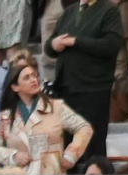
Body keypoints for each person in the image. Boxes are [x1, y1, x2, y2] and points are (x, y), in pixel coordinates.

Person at [0, 59, 91, 175]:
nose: (33, 80)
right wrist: (13, 156)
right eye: (26, 77)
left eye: (34, 76)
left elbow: (84, 128)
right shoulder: (6, 117)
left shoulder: (56, 107)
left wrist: (71, 155)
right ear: (15, 87)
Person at [46, 0, 123, 156]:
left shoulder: (108, 10)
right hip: (65, 89)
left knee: (91, 145)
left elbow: (112, 44)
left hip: (93, 89)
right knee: (67, 146)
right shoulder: (69, 12)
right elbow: (49, 45)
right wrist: (54, 44)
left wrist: (76, 42)